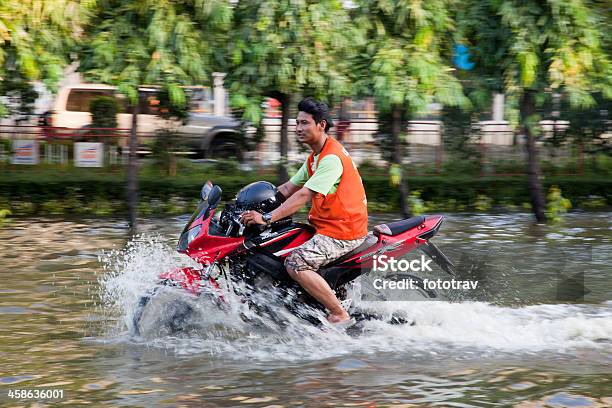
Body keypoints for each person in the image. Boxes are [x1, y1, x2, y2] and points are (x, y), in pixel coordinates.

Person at [240, 97, 368, 325]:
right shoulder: (315, 158)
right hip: (327, 227)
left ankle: (339, 313)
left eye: (305, 123)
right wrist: (248, 206)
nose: (299, 128)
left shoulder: (331, 159)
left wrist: (267, 218)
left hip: (342, 232)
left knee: (295, 263)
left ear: (322, 125)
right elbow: (288, 188)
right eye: (297, 123)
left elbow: (302, 195)